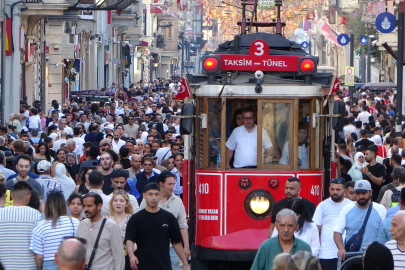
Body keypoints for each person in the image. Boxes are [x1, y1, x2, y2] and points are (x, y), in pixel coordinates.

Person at [125, 182, 190, 270]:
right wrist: (132, 256)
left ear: (159, 196)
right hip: (141, 265)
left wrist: (185, 263)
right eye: (150, 194)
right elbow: (130, 239)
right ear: (144, 195)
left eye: (156, 194)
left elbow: (176, 242)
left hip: (163, 265)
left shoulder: (169, 217)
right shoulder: (136, 218)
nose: (153, 197)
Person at [334, 180, 387, 259]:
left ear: (370, 192)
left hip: (374, 256)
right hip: (352, 257)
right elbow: (337, 232)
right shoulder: (346, 209)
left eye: (364, 193)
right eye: (358, 193)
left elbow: (386, 232)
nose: (361, 196)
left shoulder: (380, 209)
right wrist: (341, 249)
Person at [30, 191, 80, 270]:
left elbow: (39, 257)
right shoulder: (74, 222)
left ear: (48, 205)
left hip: (48, 265)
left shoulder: (40, 226)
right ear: (63, 205)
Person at [76, 192, 125, 270]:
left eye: (89, 206)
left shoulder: (111, 226)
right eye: (84, 206)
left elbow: (119, 256)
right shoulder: (82, 225)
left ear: (99, 206)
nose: (86, 209)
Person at [0, 181, 42, 270]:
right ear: (28, 197)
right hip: (29, 266)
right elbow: (39, 246)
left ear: (11, 196)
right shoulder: (36, 215)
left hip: (4, 266)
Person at [313, 178, 353, 269]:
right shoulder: (322, 206)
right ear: (329, 189)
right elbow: (316, 230)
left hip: (347, 253)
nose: (335, 192)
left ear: (345, 191)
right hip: (326, 254)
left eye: (338, 189)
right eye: (332, 189)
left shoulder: (351, 206)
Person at [108, 191, 135, 270]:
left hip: (128, 257)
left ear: (127, 204)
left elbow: (138, 239)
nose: (118, 203)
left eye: (121, 201)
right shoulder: (106, 220)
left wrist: (130, 249)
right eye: (115, 200)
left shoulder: (132, 219)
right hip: (110, 258)